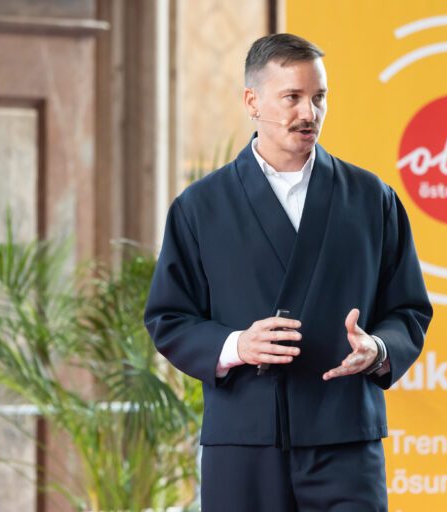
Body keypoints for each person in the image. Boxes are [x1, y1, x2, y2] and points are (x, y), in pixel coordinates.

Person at [144, 33, 432, 511]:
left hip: (345, 438)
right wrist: (237, 345)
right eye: (292, 97)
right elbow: (168, 319)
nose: (309, 113)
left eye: (319, 97)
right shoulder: (201, 207)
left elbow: (409, 309)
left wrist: (379, 348)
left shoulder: (371, 198)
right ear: (252, 101)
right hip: (244, 440)